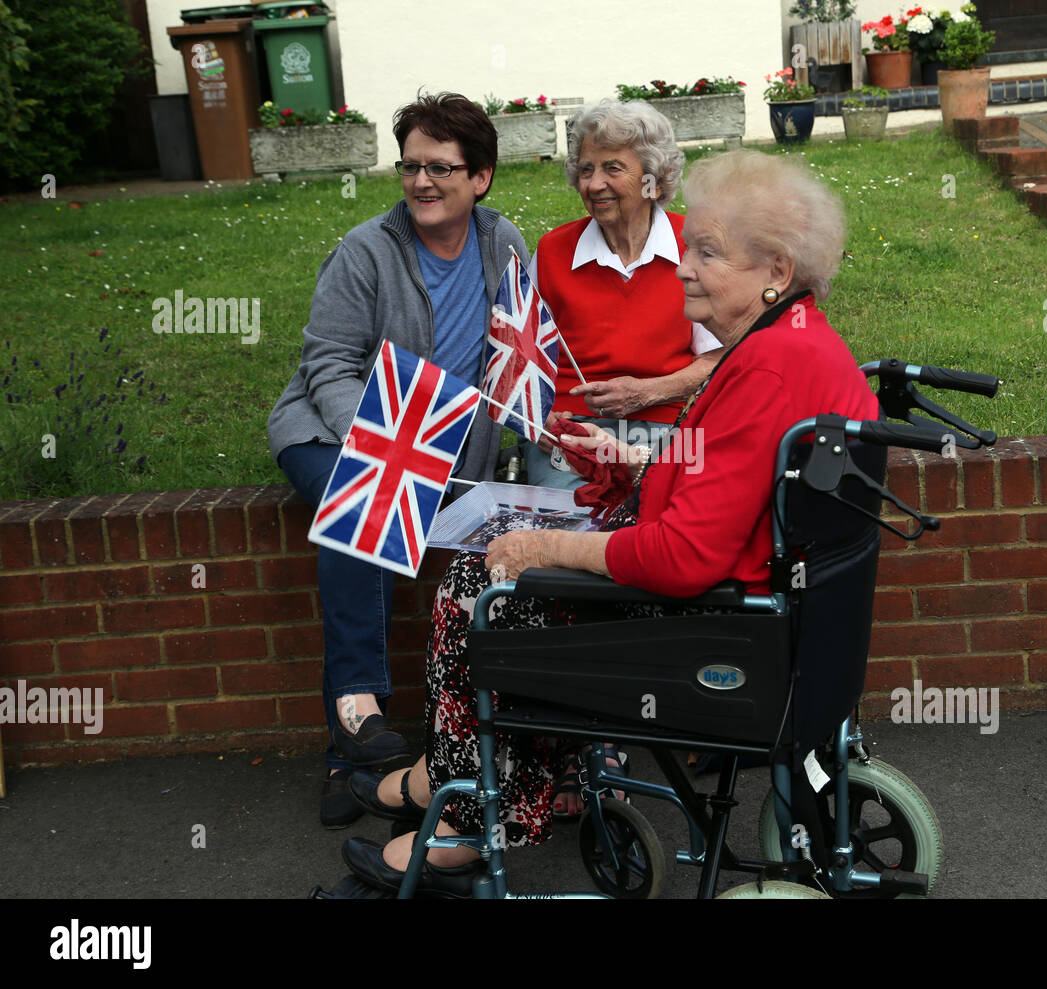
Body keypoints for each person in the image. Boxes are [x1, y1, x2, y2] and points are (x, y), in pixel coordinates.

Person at [338, 149, 880, 896]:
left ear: (776, 270)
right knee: (495, 573)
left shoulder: (766, 365)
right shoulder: (790, 339)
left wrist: (545, 545)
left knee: (478, 584)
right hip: (760, 597)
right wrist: (631, 460)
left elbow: (684, 556)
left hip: (718, 620)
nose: (683, 266)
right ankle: (457, 778)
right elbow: (730, 473)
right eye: (690, 246)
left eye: (708, 252)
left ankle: (470, 817)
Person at [267, 92, 528, 828]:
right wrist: (385, 443)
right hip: (331, 431)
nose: (421, 182)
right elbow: (329, 366)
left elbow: (515, 357)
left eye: (441, 168)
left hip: (443, 446)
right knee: (360, 499)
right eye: (411, 165)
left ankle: (360, 760)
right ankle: (356, 716)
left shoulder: (503, 242)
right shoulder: (366, 249)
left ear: (480, 177)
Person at [523, 99, 724, 491]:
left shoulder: (696, 247)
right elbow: (520, 355)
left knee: (682, 511)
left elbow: (723, 357)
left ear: (655, 179)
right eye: (585, 169)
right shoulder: (553, 252)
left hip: (671, 426)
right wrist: (536, 415)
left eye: (612, 168)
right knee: (573, 526)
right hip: (573, 432)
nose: (593, 184)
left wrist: (648, 392)